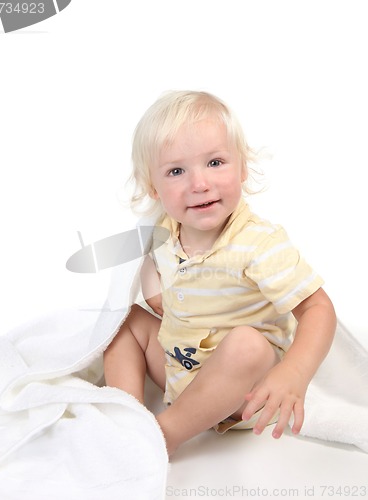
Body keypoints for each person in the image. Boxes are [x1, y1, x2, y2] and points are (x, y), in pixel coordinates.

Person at [103, 90, 336, 456]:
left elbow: (318, 310)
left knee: (248, 344)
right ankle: (125, 415)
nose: (199, 183)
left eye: (215, 162)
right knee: (121, 320)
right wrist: (155, 295)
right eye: (176, 171)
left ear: (242, 167)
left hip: (246, 391)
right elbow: (156, 277)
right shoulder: (164, 231)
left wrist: (295, 372)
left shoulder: (258, 243)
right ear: (154, 187)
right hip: (181, 371)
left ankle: (163, 435)